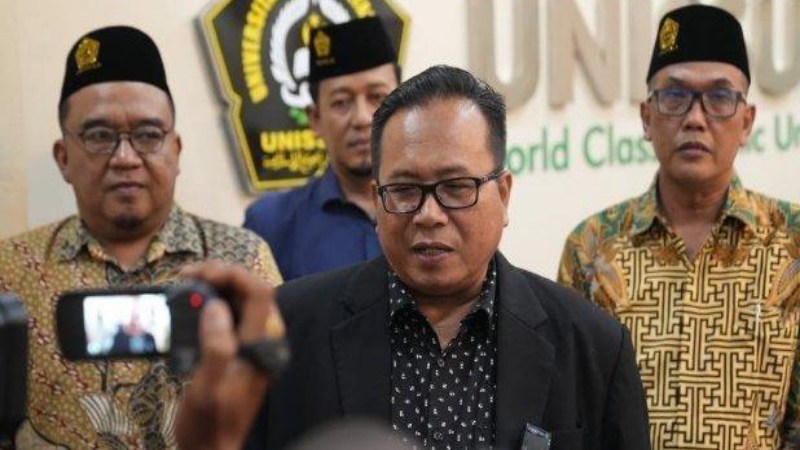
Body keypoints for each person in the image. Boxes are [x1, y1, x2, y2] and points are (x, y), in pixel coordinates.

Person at [177, 65, 650, 450]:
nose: (428, 215)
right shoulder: (289, 331)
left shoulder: (592, 346)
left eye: (456, 187)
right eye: (404, 190)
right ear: (376, 200)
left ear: (504, 194)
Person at [0, 26, 281, 448]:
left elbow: (283, 405)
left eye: (148, 135)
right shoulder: (11, 270)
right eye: (99, 136)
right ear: (63, 158)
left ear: (176, 150)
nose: (125, 158)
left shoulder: (241, 262)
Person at [558, 5, 800, 449]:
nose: (695, 118)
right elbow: (573, 417)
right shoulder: (592, 246)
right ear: (646, 117)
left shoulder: (793, 243)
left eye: (719, 97)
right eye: (674, 96)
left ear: (747, 122)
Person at [244, 17, 400, 280]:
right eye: (341, 102)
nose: (362, 118)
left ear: (403, 108)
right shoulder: (271, 224)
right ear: (315, 118)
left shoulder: (433, 211)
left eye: (377, 97)